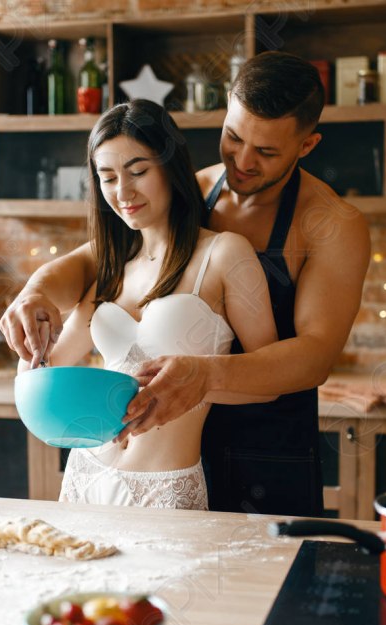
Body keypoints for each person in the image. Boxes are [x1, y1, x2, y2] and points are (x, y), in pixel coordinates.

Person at [0, 52, 370, 517]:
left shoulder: (332, 225)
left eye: (267, 151)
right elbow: (94, 261)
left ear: (307, 145)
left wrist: (204, 376)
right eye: (233, 137)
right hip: (166, 446)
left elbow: (315, 354)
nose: (242, 161)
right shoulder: (189, 189)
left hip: (265, 447)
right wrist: (34, 293)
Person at [27, 99, 277, 510]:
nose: (122, 192)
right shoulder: (110, 266)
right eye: (107, 178)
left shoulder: (225, 254)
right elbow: (52, 363)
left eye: (138, 172)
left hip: (166, 487)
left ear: (170, 167)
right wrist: (29, 323)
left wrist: (200, 381)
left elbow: (268, 381)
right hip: (87, 473)